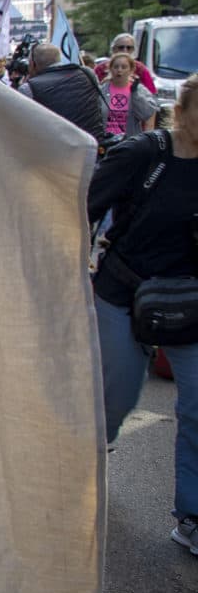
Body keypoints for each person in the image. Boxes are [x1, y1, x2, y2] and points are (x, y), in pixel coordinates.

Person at [89, 79, 198, 559]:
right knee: (116, 398)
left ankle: (191, 516)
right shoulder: (143, 153)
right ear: (182, 110)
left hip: (191, 306)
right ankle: (87, 464)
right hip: (123, 294)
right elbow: (79, 206)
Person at [21, 43, 109, 141]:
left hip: (54, 149)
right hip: (91, 146)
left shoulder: (28, 88)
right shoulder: (87, 73)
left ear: (33, 64)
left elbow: (23, 124)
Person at [103, 53, 160, 139]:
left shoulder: (139, 90)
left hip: (130, 141)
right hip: (106, 141)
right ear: (110, 69)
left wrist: (135, 94)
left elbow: (146, 114)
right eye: (116, 67)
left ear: (131, 70)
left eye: (124, 67)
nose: (119, 70)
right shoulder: (101, 90)